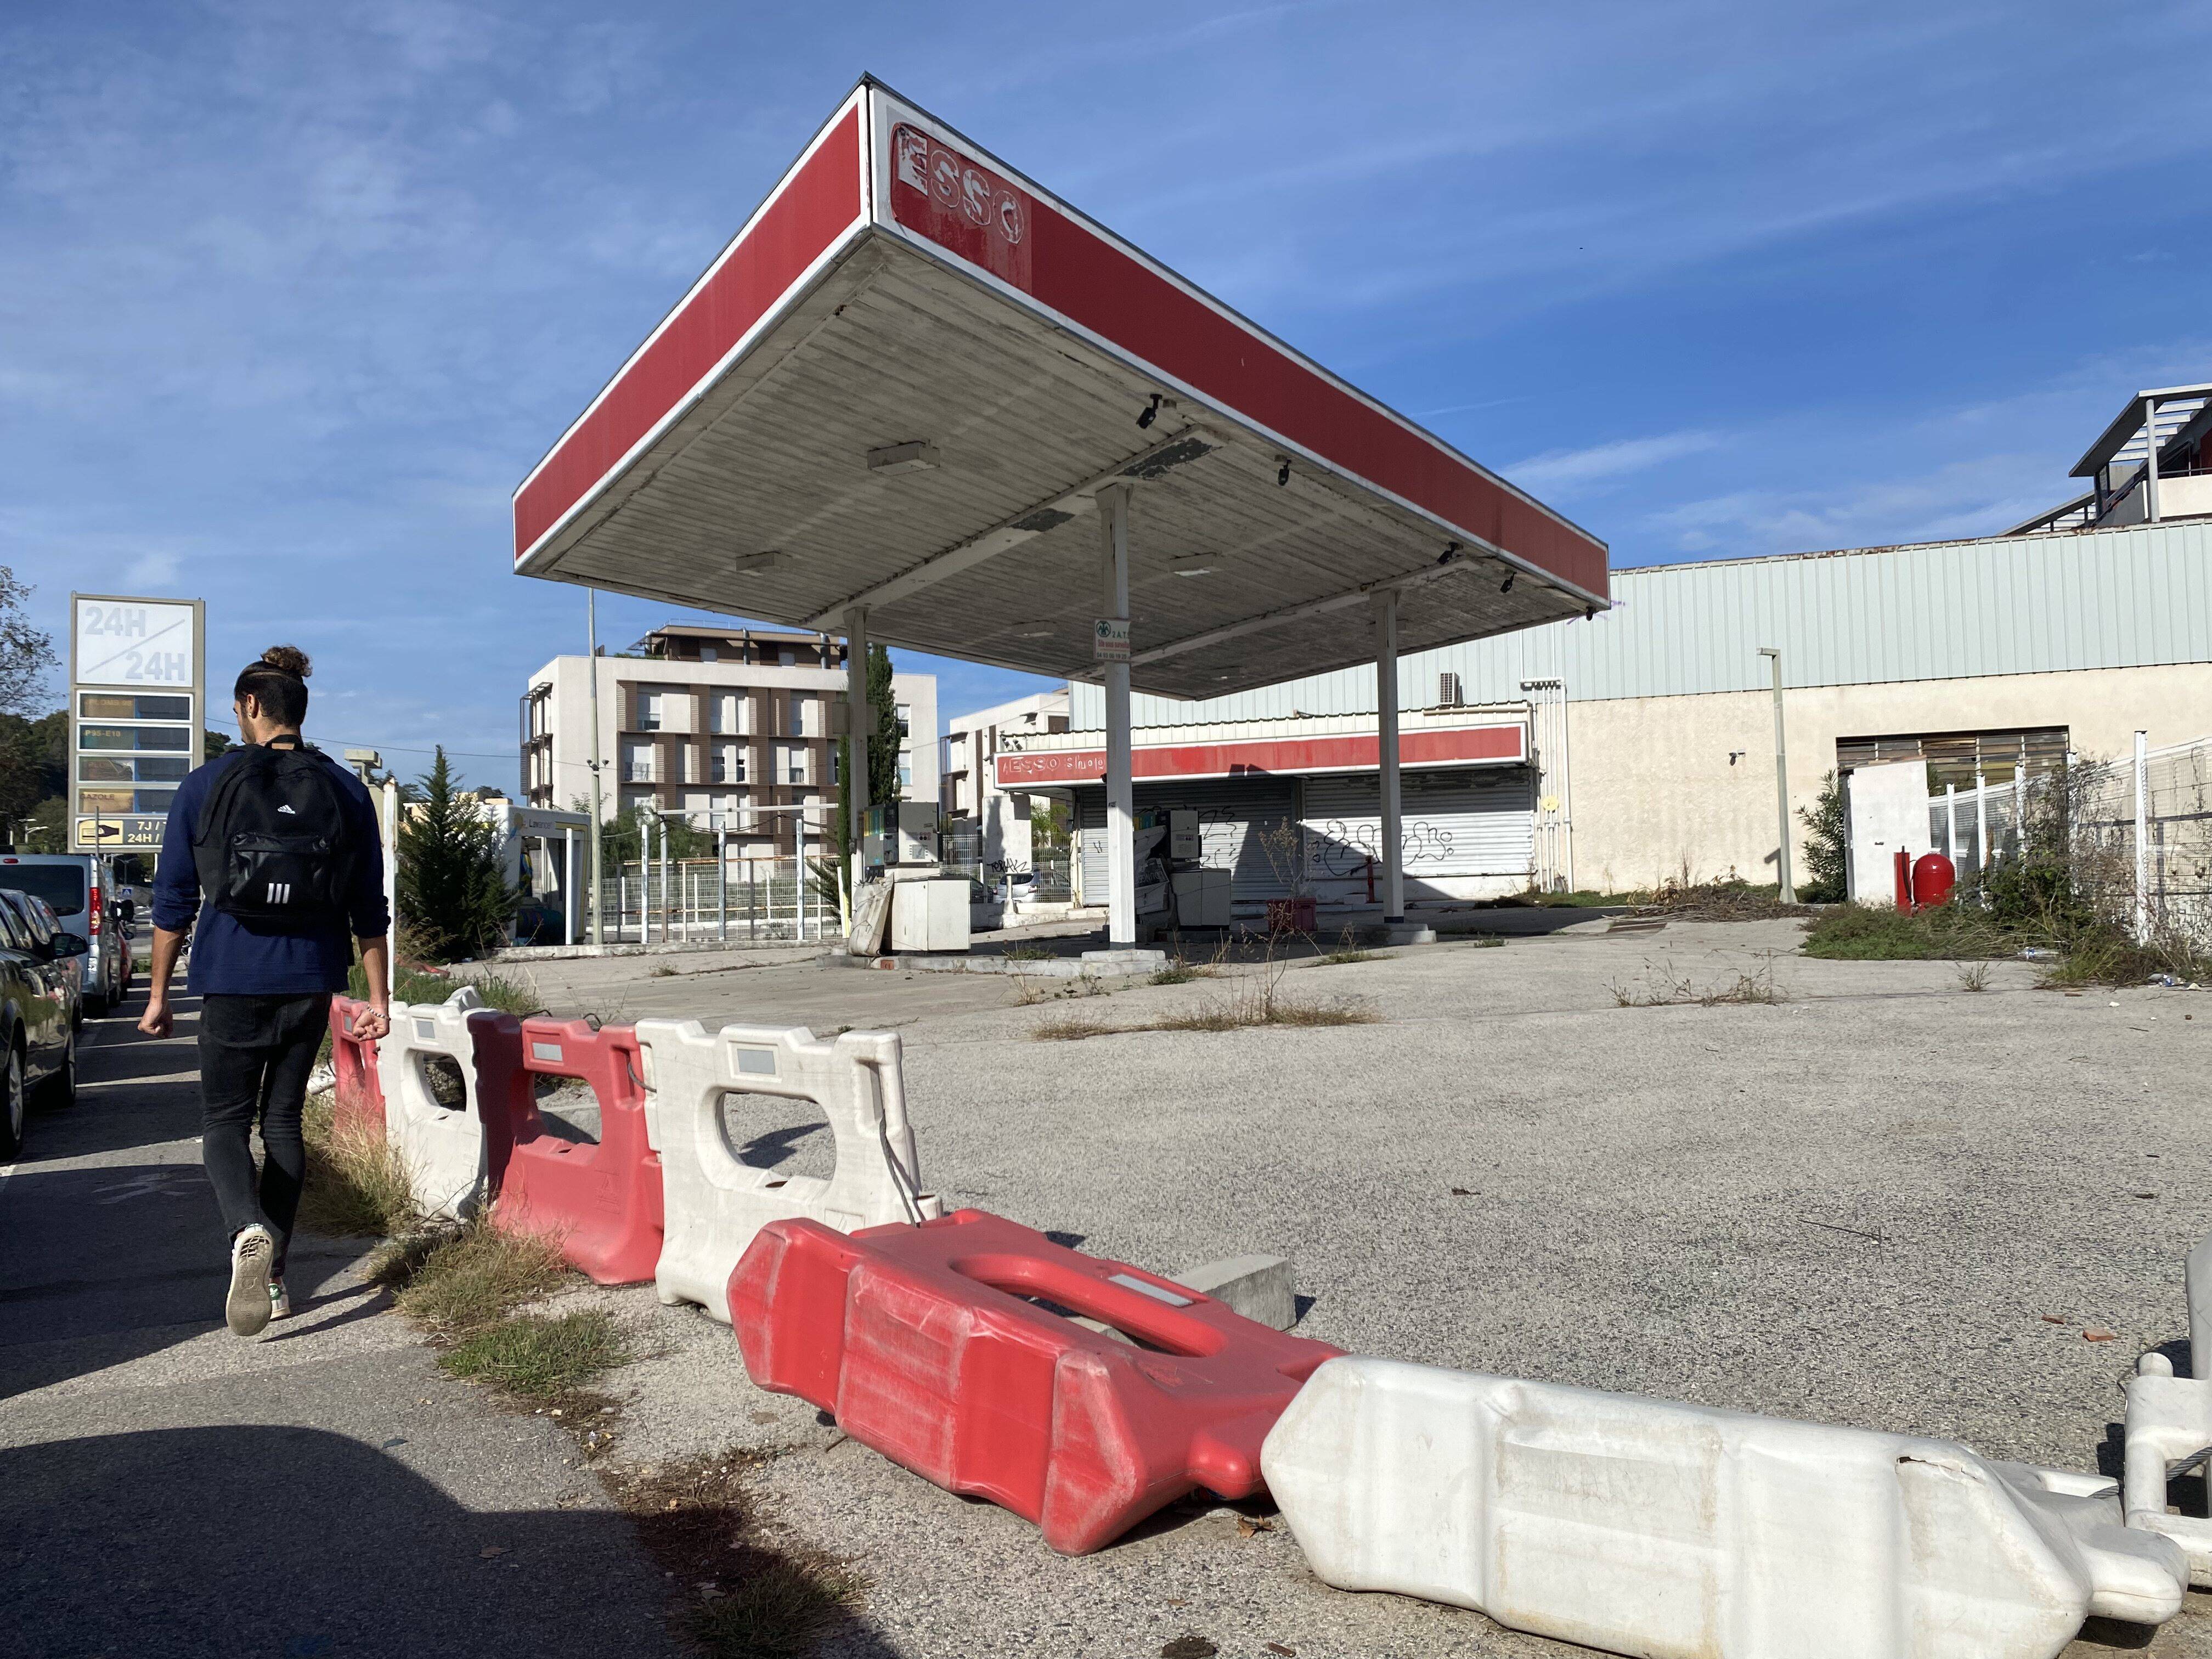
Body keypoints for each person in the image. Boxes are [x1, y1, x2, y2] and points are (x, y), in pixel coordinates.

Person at [139, 646, 391, 1337]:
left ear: (251, 706)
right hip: (311, 979)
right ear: (300, 710)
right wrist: (379, 1002)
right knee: (282, 1122)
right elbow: (370, 908)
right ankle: (276, 1275)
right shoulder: (345, 791)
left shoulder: (205, 785)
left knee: (224, 1122)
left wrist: (159, 996)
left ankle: (244, 1228)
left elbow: (171, 904)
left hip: (230, 978)